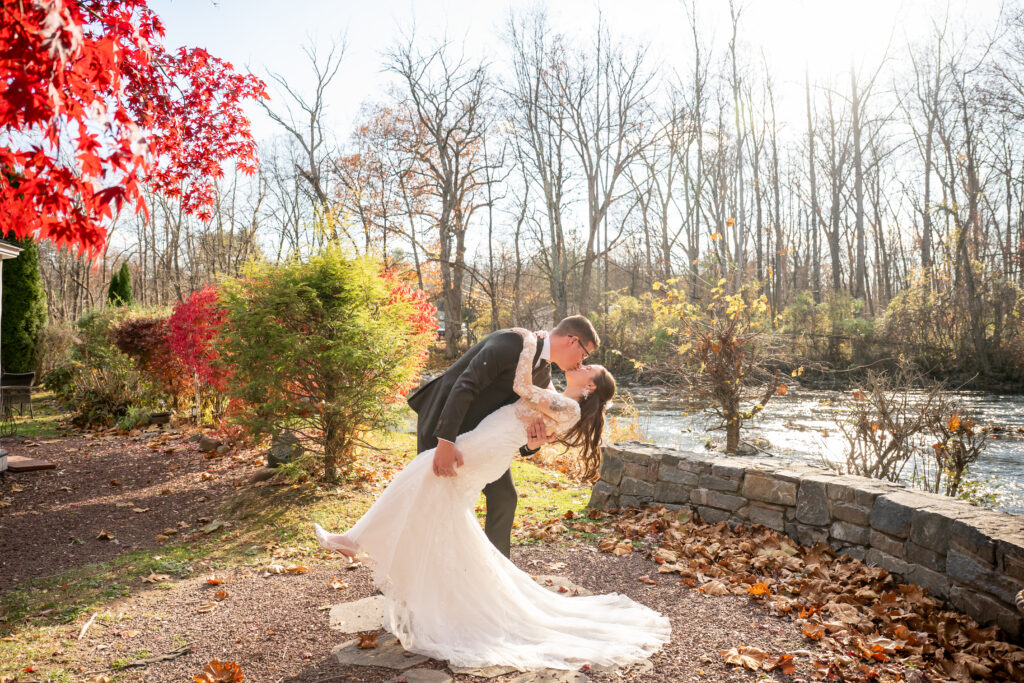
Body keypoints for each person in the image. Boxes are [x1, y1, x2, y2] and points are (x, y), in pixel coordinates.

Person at [314, 328, 670, 671]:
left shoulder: (568, 406)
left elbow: (521, 389)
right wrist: (534, 440)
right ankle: (438, 588)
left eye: (588, 366)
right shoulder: (554, 390)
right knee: (439, 506)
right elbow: (523, 414)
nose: (582, 364)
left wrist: (527, 339)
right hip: (484, 440)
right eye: (585, 357)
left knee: (423, 478)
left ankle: (357, 542)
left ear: (590, 387)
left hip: (486, 447)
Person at [407, 315, 600, 558]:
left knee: (504, 498)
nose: (581, 362)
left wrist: (532, 445)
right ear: (572, 341)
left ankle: (496, 568)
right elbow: (466, 384)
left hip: (481, 439)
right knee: (432, 498)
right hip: (443, 421)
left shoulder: (543, 374)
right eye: (584, 354)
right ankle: (412, 563)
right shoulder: (512, 342)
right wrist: (445, 441)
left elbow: (520, 421)